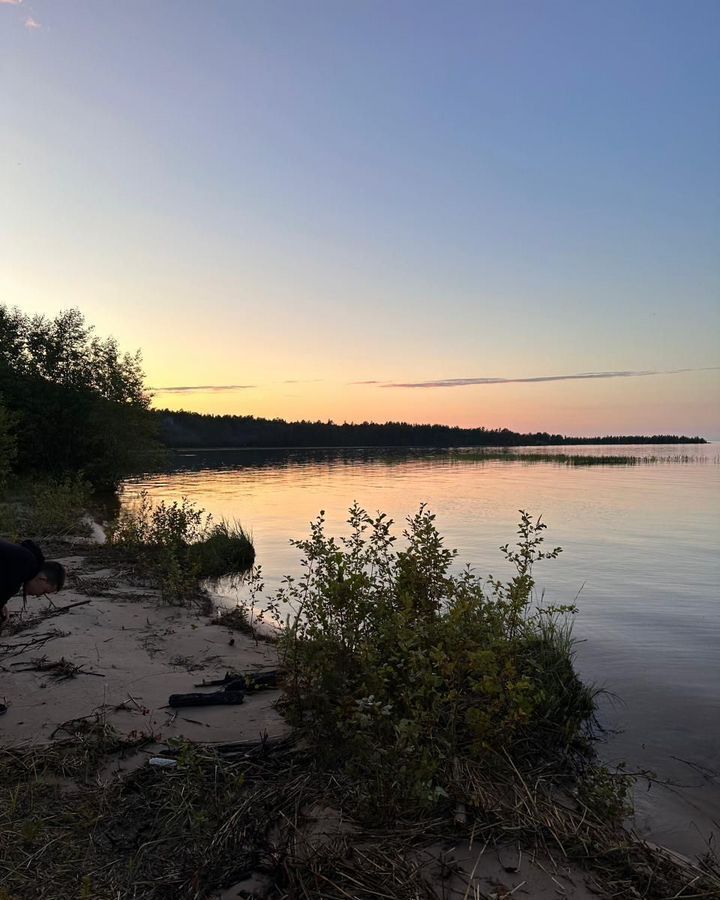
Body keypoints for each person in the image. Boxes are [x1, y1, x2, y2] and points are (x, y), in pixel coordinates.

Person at [0, 538, 65, 628]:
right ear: (42, 579)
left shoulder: (25, 560)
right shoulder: (22, 566)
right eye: (44, 592)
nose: (38, 595)